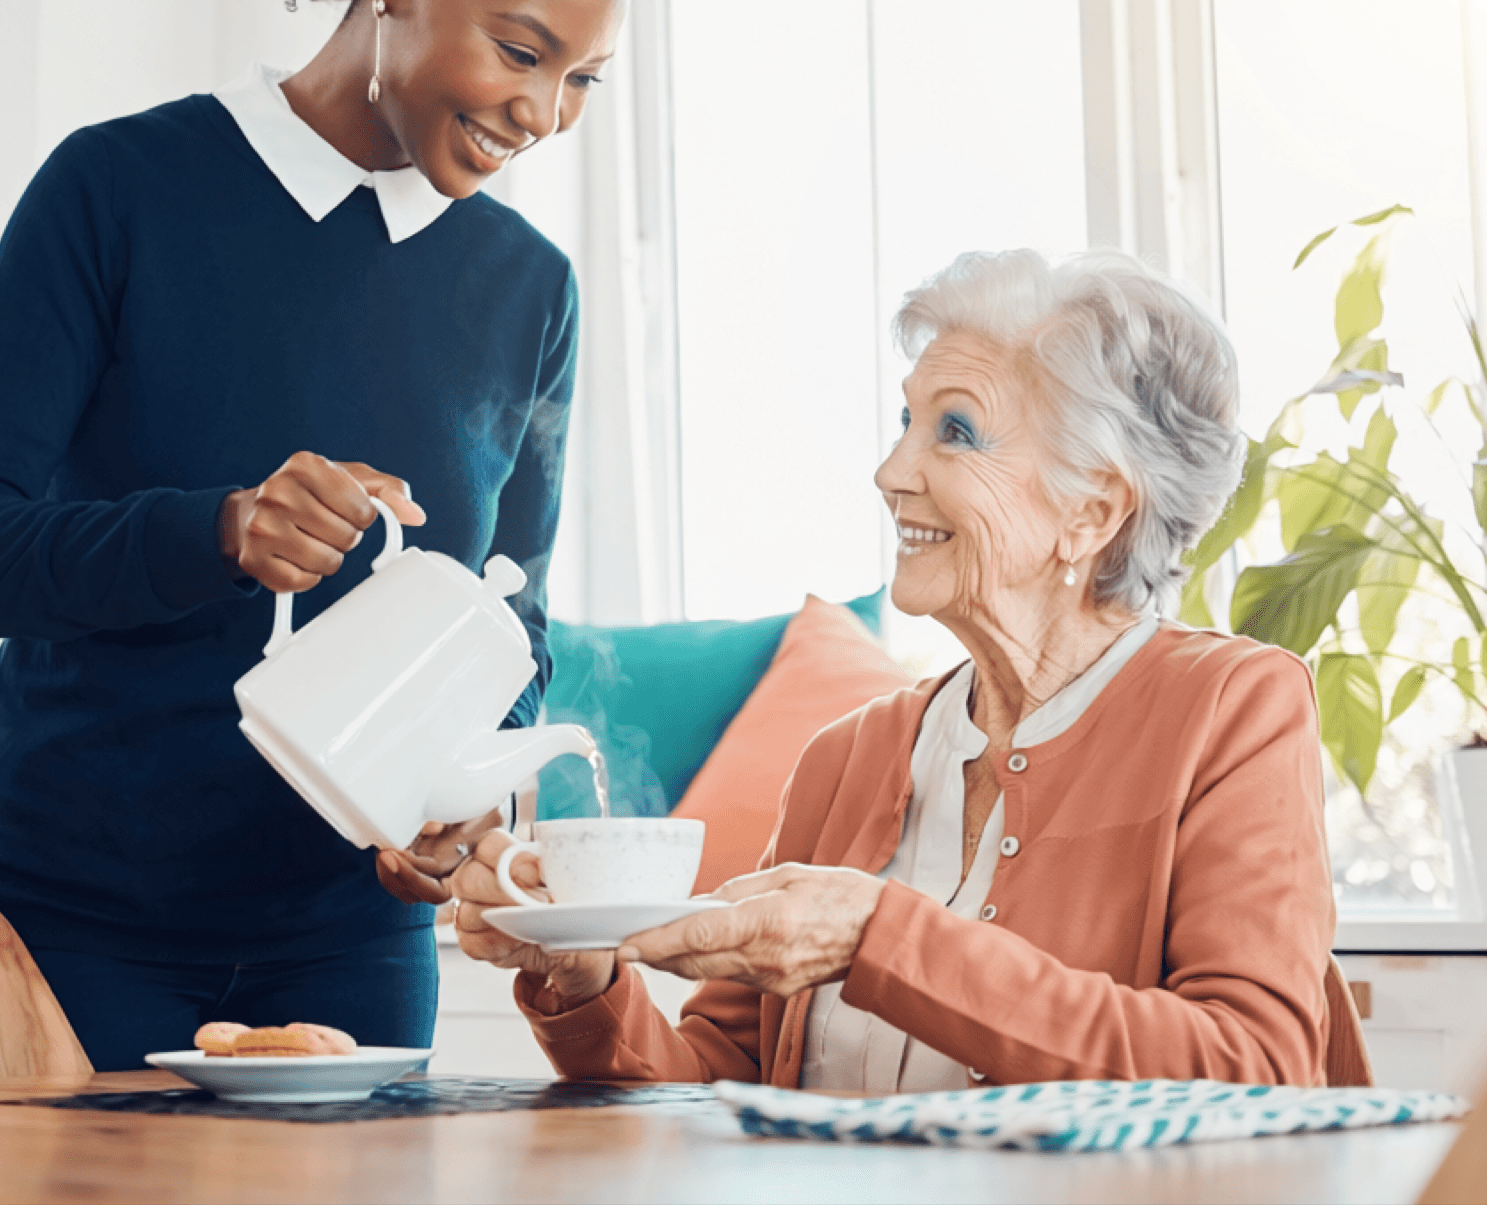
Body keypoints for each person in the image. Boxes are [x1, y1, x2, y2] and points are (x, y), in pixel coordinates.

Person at [0, 0, 627, 1070]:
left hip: (346, 945)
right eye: (522, 53)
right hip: (55, 922)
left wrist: (457, 812)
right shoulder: (116, 193)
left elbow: (508, 624)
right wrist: (218, 531)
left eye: (583, 79)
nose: (545, 114)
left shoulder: (531, 291)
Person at [451, 249, 1342, 1089]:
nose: (890, 471)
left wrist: (872, 936)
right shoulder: (850, 757)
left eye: (956, 431)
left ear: (1092, 508)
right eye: (904, 421)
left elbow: (1253, 1065)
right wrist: (583, 975)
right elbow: (711, 1081)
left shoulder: (1231, 708)